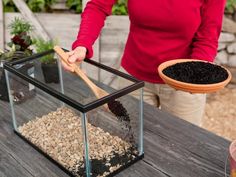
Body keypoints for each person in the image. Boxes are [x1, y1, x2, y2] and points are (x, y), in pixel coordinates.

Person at [62, 0, 226, 126]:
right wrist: (82, 44)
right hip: (133, 77)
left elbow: (207, 38)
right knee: (129, 136)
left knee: (183, 146)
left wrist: (193, 75)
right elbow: (98, 5)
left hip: (183, 83)